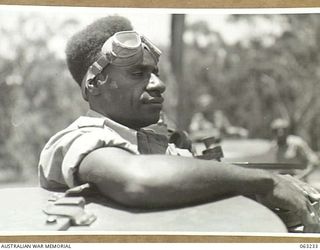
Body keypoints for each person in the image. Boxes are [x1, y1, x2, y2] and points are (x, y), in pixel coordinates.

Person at [38, 16, 320, 232]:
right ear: (93, 84)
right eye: (138, 73)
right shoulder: (79, 138)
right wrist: (266, 181)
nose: (158, 84)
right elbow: (139, 179)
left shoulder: (151, 140)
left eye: (155, 73)